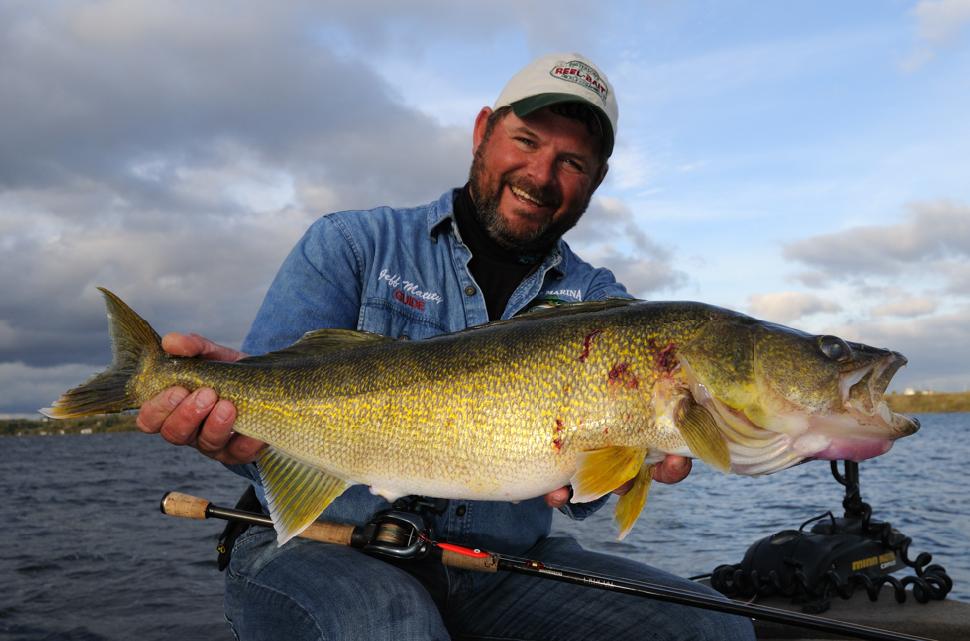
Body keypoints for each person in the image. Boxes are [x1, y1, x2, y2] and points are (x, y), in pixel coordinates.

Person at [136, 53, 756, 641]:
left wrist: (632, 467)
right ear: (483, 130)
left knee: (716, 626)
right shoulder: (351, 244)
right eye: (528, 140)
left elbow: (579, 500)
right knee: (395, 623)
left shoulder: (602, 301)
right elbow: (259, 436)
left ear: (598, 179)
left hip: (501, 565)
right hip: (315, 543)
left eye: (573, 162)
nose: (541, 175)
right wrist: (227, 422)